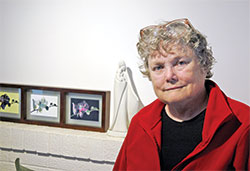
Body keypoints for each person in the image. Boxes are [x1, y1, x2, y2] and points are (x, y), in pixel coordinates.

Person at [113, 18, 250, 170]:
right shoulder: (140, 123)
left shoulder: (243, 123)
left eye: (180, 63)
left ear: (204, 65)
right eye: (158, 67)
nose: (169, 76)